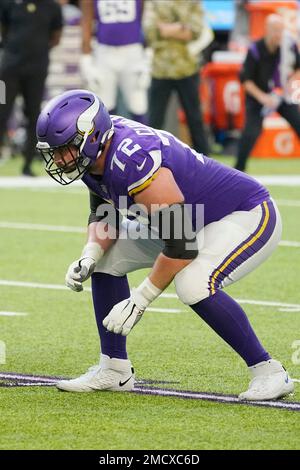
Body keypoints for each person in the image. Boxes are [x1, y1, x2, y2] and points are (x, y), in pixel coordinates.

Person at [36, 89, 294, 401]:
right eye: (56, 150)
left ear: (91, 137)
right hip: (185, 220)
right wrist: (90, 254)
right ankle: (114, 369)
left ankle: (268, 371)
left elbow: (181, 244)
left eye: (65, 149)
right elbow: (105, 213)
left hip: (242, 214)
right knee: (106, 259)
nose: (61, 159)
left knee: (193, 284)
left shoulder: (133, 159)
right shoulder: (96, 151)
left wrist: (140, 299)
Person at [0, 0, 63, 176]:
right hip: (7, 70)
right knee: (1, 110)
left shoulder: (52, 6)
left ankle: (28, 163)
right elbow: (3, 28)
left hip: (36, 69)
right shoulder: (8, 3)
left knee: (34, 115)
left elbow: (56, 35)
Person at [235, 14, 300, 172]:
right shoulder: (255, 50)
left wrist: (291, 83)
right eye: (275, 31)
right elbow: (246, 80)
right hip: (258, 96)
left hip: (281, 95)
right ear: (267, 30)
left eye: (281, 30)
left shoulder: (288, 46)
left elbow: (297, 67)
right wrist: (262, 97)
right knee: (250, 133)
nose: (279, 35)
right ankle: (238, 169)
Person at [144, 0, 209, 156]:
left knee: (195, 119)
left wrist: (167, 29)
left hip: (186, 68)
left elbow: (196, 31)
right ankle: (148, 156)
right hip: (161, 69)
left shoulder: (193, 2)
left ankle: (205, 159)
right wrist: (180, 27)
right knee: (155, 120)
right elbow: (150, 31)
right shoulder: (155, 2)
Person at [80, 0, 149, 124]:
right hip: (104, 51)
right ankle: (109, 143)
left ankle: (145, 143)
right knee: (104, 107)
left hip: (133, 50)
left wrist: (148, 53)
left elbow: (147, 18)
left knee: (138, 104)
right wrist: (86, 58)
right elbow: (86, 19)